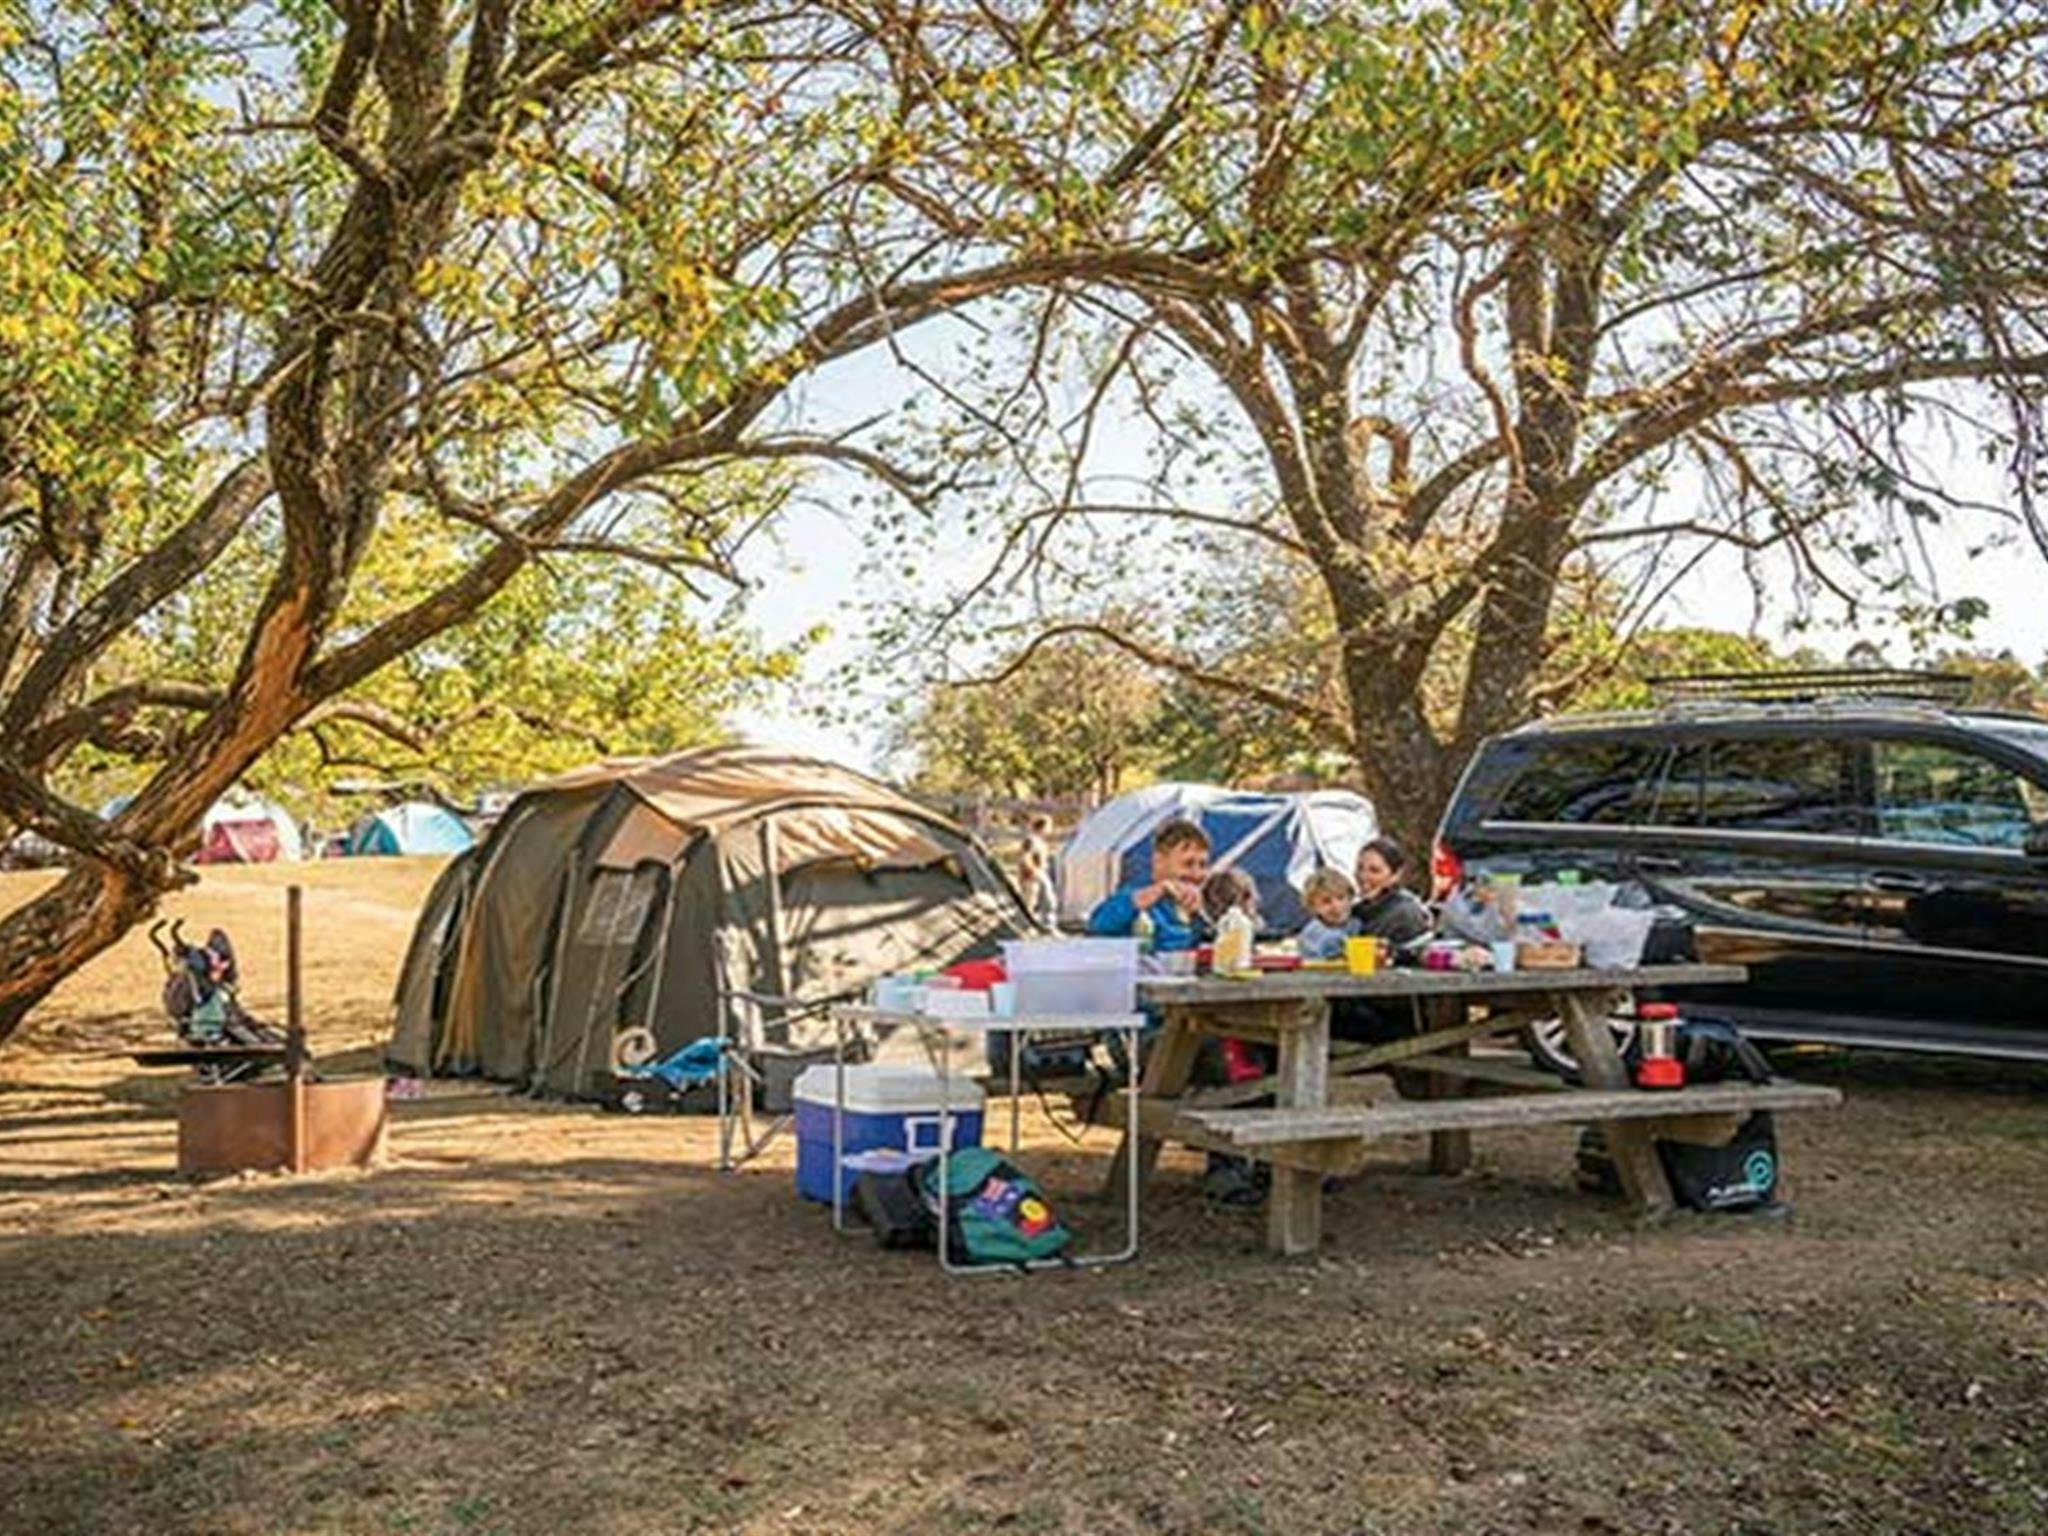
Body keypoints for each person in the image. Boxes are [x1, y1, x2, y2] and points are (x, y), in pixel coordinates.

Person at [1085, 817, 1209, 951]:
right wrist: (1158, 891)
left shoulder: (1196, 909)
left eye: (1202, 865)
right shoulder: (1135, 898)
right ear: (1159, 861)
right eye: (1188, 864)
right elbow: (1098, 925)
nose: (1197, 873)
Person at [1351, 836, 1433, 954]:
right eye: (1360, 868)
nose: (1363, 876)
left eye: (1375, 870)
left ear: (1395, 875)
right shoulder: (1358, 910)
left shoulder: (1405, 913)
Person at [1295, 868, 1358, 960]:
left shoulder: (1354, 923)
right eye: (1326, 901)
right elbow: (1333, 946)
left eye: (1341, 898)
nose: (1336, 906)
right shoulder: (1313, 932)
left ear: (1350, 898)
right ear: (1313, 908)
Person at [1016, 814, 1060, 928]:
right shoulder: (1031, 840)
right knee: (1029, 900)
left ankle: (1044, 922)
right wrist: (1032, 871)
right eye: (1049, 827)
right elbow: (1025, 857)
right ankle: (1026, 924)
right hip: (1032, 875)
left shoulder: (1039, 841)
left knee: (1043, 898)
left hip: (1039, 873)